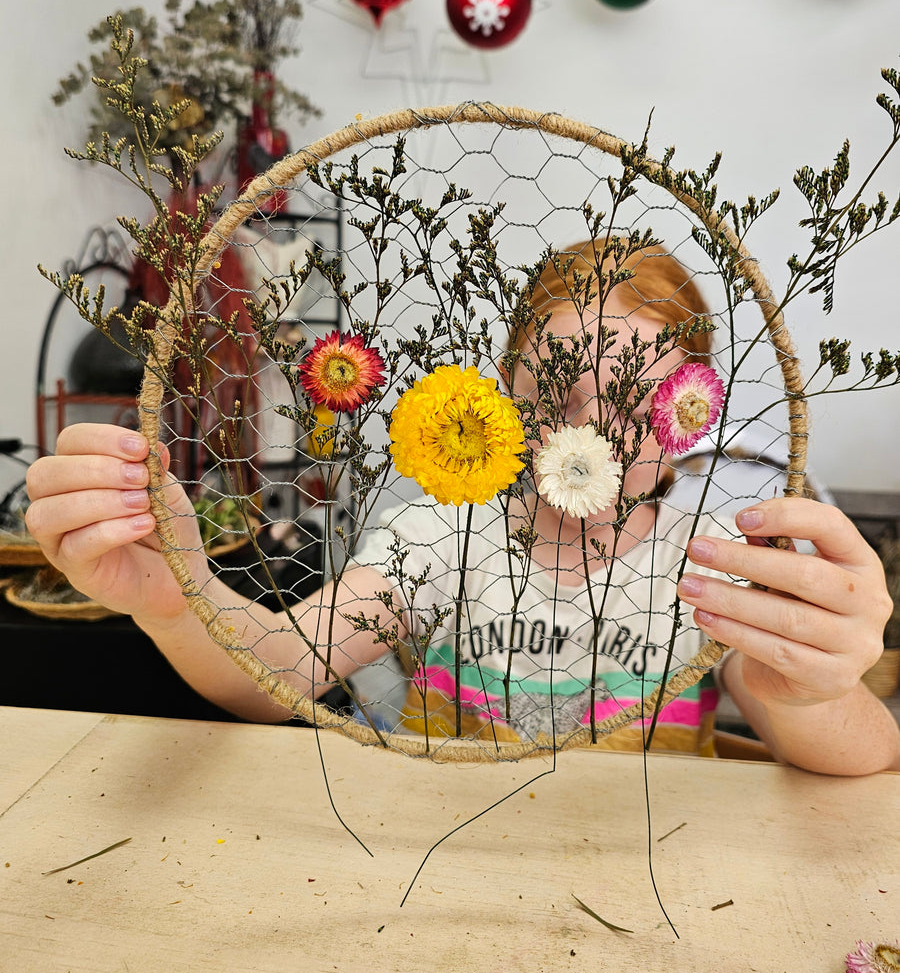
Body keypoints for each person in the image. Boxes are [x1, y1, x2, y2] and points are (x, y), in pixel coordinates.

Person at [25, 240, 900, 775]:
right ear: (508, 397)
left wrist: (816, 690)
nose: (591, 430)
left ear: (692, 409)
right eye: (559, 389)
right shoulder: (446, 534)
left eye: (637, 397)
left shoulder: (711, 566)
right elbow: (280, 666)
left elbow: (860, 759)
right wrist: (175, 598)